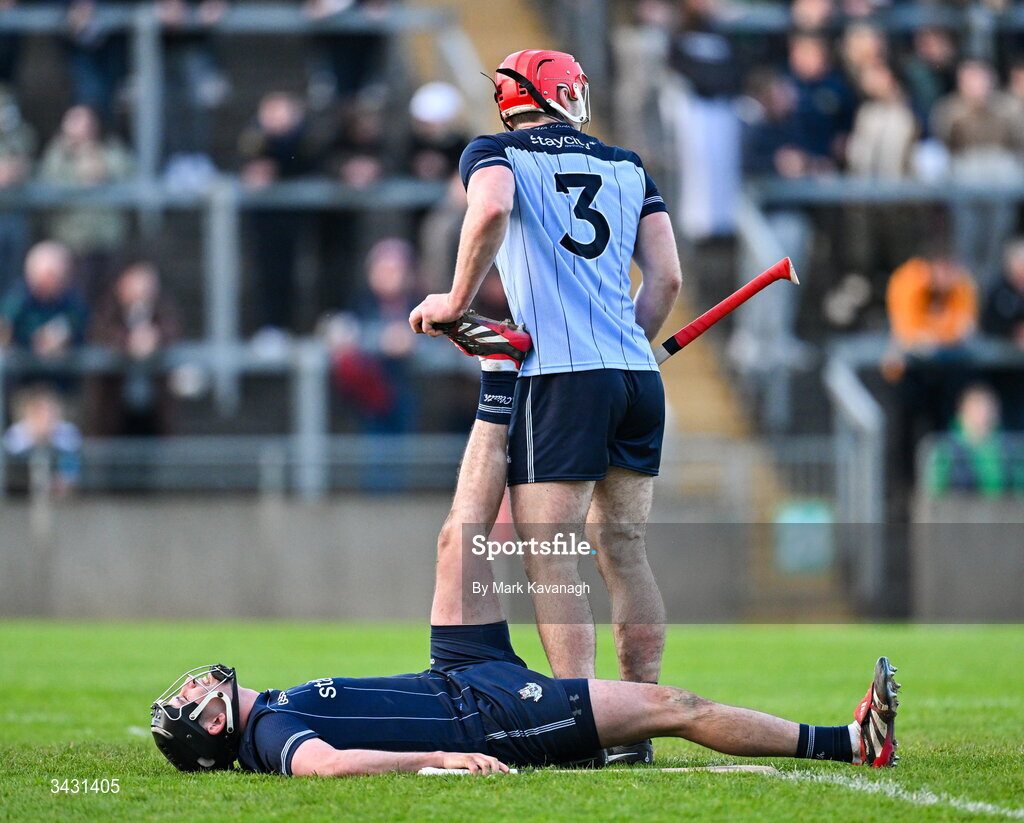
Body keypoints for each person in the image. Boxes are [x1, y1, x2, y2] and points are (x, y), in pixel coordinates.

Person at [148, 461, 902, 775]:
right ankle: (848, 742)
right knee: (675, 707)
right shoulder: (267, 734)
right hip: (488, 714)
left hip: (456, 673)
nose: (187, 687)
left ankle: (500, 378)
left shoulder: (271, 706)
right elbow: (332, 766)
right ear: (211, 728)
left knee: (457, 537)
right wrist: (442, 759)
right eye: (186, 703)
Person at [409, 49, 682, 762]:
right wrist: (630, 342)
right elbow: (667, 279)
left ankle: (585, 727)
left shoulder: (492, 150)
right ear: (564, 94)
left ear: (509, 98)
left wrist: (455, 300)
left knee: (551, 555)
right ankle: (638, 725)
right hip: (635, 376)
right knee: (623, 551)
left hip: (560, 378)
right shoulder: (628, 165)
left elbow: (492, 207)